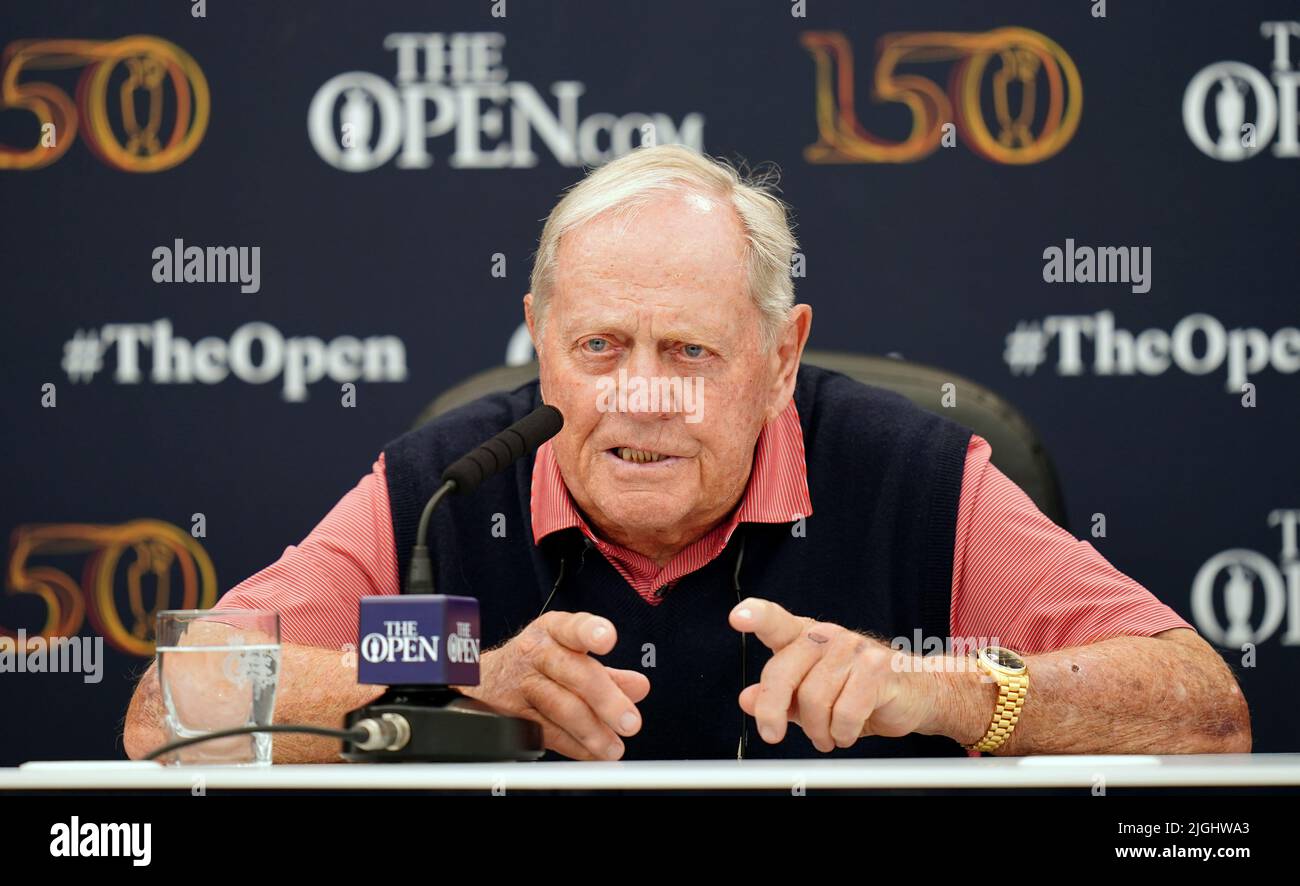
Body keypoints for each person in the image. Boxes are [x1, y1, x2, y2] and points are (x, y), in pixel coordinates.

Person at [124, 145, 1250, 763]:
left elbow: (1203, 711)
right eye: (599, 347)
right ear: (540, 346)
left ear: (777, 354)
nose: (640, 396)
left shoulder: (908, 479)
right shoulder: (448, 496)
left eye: (690, 351)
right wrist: (456, 676)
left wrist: (943, 689)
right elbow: (174, 708)